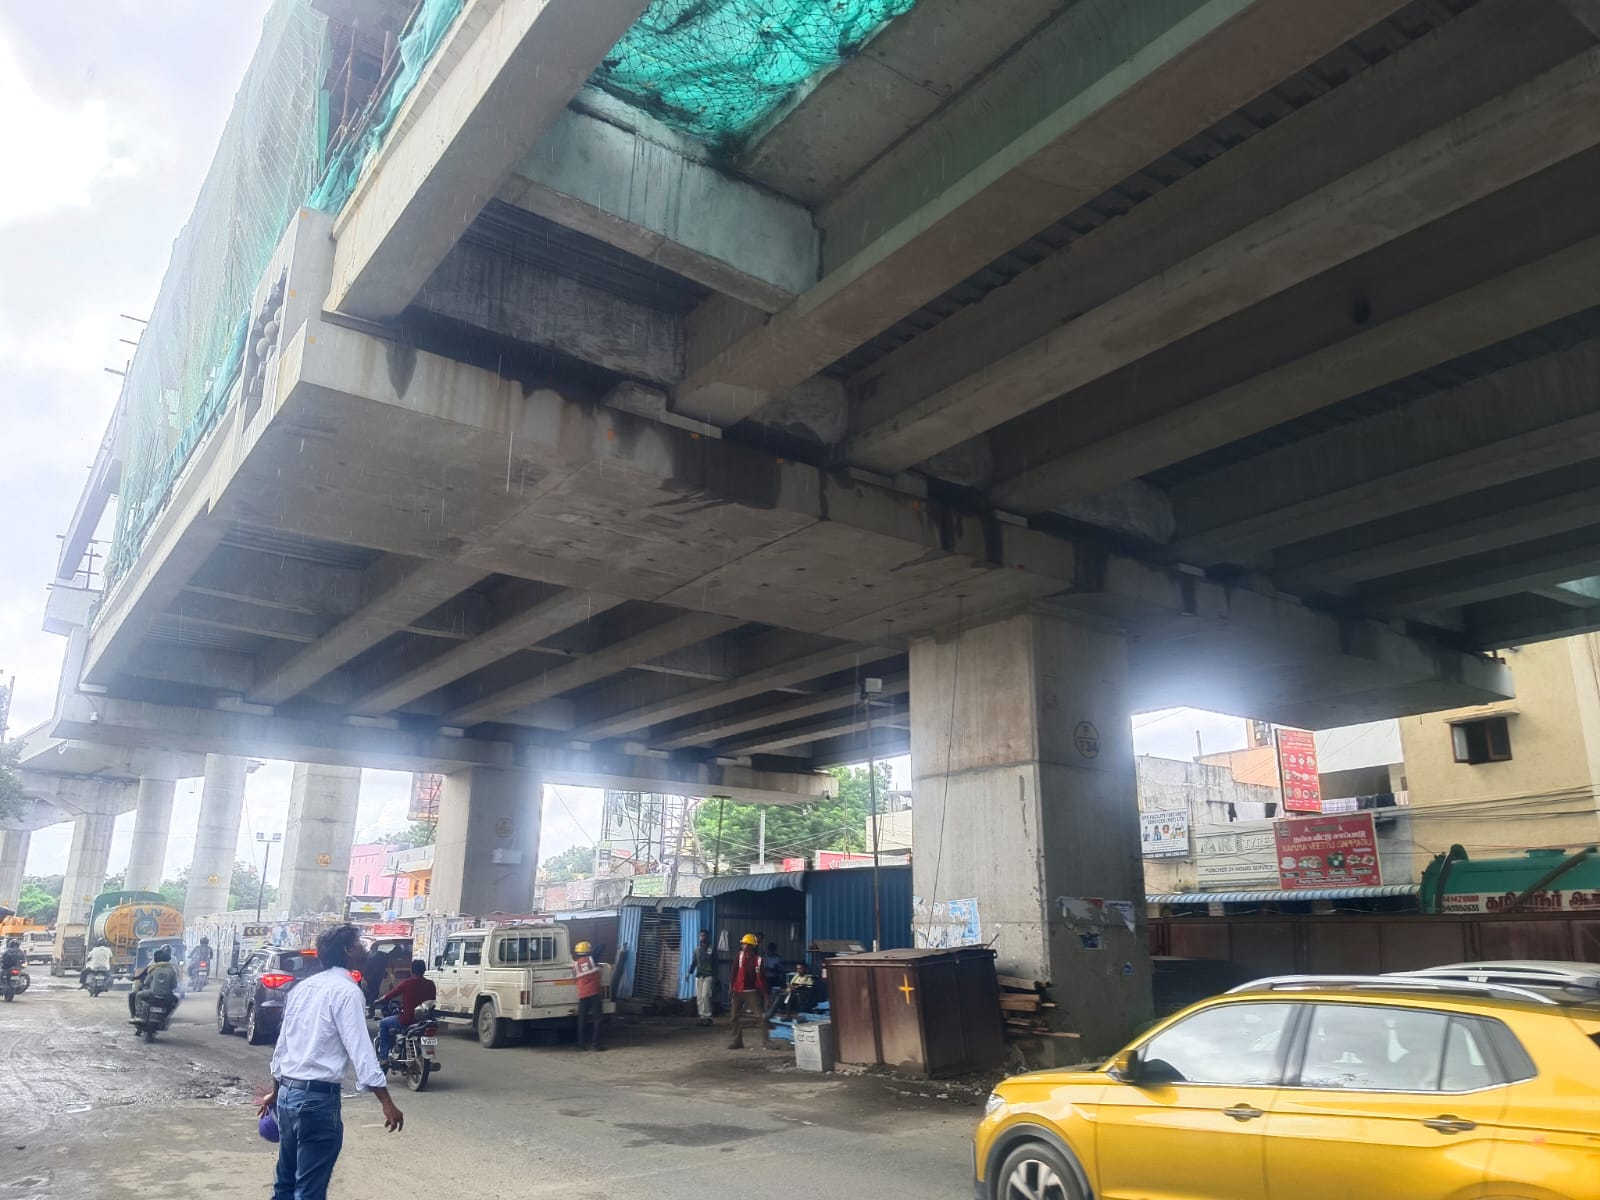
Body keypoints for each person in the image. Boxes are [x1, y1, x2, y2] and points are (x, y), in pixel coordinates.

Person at [258, 924, 402, 1200]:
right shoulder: (347, 992)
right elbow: (361, 1051)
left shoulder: (302, 989)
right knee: (309, 1191)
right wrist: (386, 1101)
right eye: (359, 944)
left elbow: (283, 1046)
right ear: (348, 951)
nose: (364, 949)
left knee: (285, 1184)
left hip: (288, 1096)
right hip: (317, 1102)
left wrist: (276, 1093)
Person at [376, 960, 436, 1061]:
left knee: (383, 1023)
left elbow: (391, 994)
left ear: (412, 970)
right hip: (424, 1021)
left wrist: (378, 1001)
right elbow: (432, 1000)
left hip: (407, 1019)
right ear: (424, 970)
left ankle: (383, 1057)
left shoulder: (407, 983)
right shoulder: (431, 984)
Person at [727, 933, 769, 1050]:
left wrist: (766, 993)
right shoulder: (739, 956)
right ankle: (738, 1041)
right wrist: (731, 986)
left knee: (760, 1016)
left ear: (750, 946)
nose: (742, 945)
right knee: (734, 1017)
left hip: (751, 992)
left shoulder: (758, 960)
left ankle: (766, 1041)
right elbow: (734, 971)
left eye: (745, 944)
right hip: (738, 990)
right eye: (743, 944)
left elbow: (763, 978)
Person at [127, 946, 180, 1020]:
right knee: (176, 1000)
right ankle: (166, 1016)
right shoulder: (172, 969)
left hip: (153, 994)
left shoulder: (153, 968)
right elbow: (174, 985)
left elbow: (146, 982)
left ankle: (138, 1016)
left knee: (138, 995)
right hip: (167, 996)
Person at [572, 940, 604, 1051]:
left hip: (582, 995)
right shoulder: (592, 959)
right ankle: (596, 1044)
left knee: (582, 1020)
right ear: (588, 950)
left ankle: (581, 1043)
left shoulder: (575, 965)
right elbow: (601, 946)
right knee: (597, 1019)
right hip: (594, 994)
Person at [684, 929, 715, 1026]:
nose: (702, 937)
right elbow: (694, 962)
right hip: (699, 975)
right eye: (701, 936)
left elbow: (715, 963)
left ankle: (708, 1016)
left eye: (704, 935)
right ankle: (702, 1017)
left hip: (708, 975)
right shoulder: (697, 950)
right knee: (699, 997)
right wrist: (689, 973)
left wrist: (715, 976)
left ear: (707, 937)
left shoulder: (711, 948)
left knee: (705, 995)